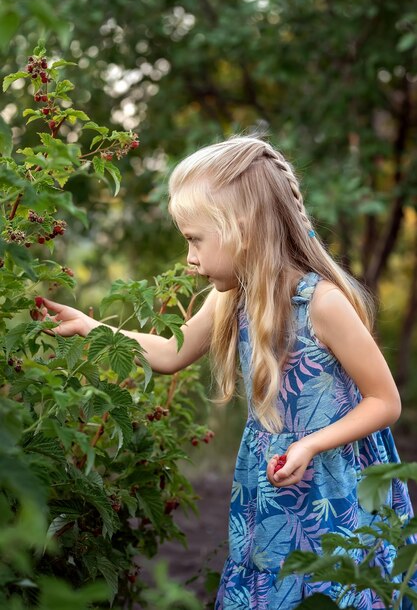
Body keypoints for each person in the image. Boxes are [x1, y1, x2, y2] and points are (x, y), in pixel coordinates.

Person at [37, 136, 416, 609]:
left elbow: (385, 401)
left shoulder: (322, 304)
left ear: (242, 229)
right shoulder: (232, 297)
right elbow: (172, 352)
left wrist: (310, 444)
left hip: (332, 485)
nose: (189, 257)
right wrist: (92, 328)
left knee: (331, 590)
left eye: (195, 239)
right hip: (271, 484)